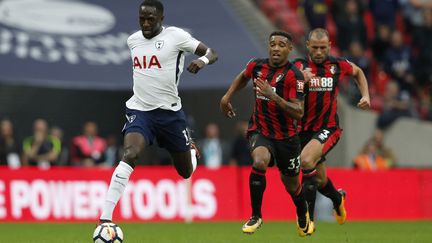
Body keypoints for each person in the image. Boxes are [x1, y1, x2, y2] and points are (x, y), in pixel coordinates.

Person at [99, 0, 217, 224]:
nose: (145, 23)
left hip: (170, 115)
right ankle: (105, 218)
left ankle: (190, 150)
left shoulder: (176, 36)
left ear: (161, 19)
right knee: (130, 153)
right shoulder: (133, 40)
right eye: (142, 18)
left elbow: (212, 52)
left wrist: (201, 61)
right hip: (140, 110)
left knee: (185, 172)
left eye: (150, 19)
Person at [220, 31, 313, 236]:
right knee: (259, 161)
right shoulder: (257, 66)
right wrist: (226, 97)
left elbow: (299, 112)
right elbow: (243, 77)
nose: (276, 48)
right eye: (273, 44)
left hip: (287, 138)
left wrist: (274, 96)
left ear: (289, 49)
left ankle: (302, 210)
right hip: (260, 130)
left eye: (281, 45)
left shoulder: (293, 76)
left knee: (292, 185)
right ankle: (256, 215)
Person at [293, 28, 370, 234]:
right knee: (319, 180)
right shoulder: (298, 66)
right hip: (303, 131)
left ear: (329, 47)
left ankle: (307, 220)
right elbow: (283, 85)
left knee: (306, 161)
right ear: (307, 46)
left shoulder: (337, 65)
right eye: (315, 48)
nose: (318, 52)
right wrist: (300, 78)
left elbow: (358, 72)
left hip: (329, 128)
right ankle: (338, 198)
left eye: (322, 48)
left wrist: (366, 95)